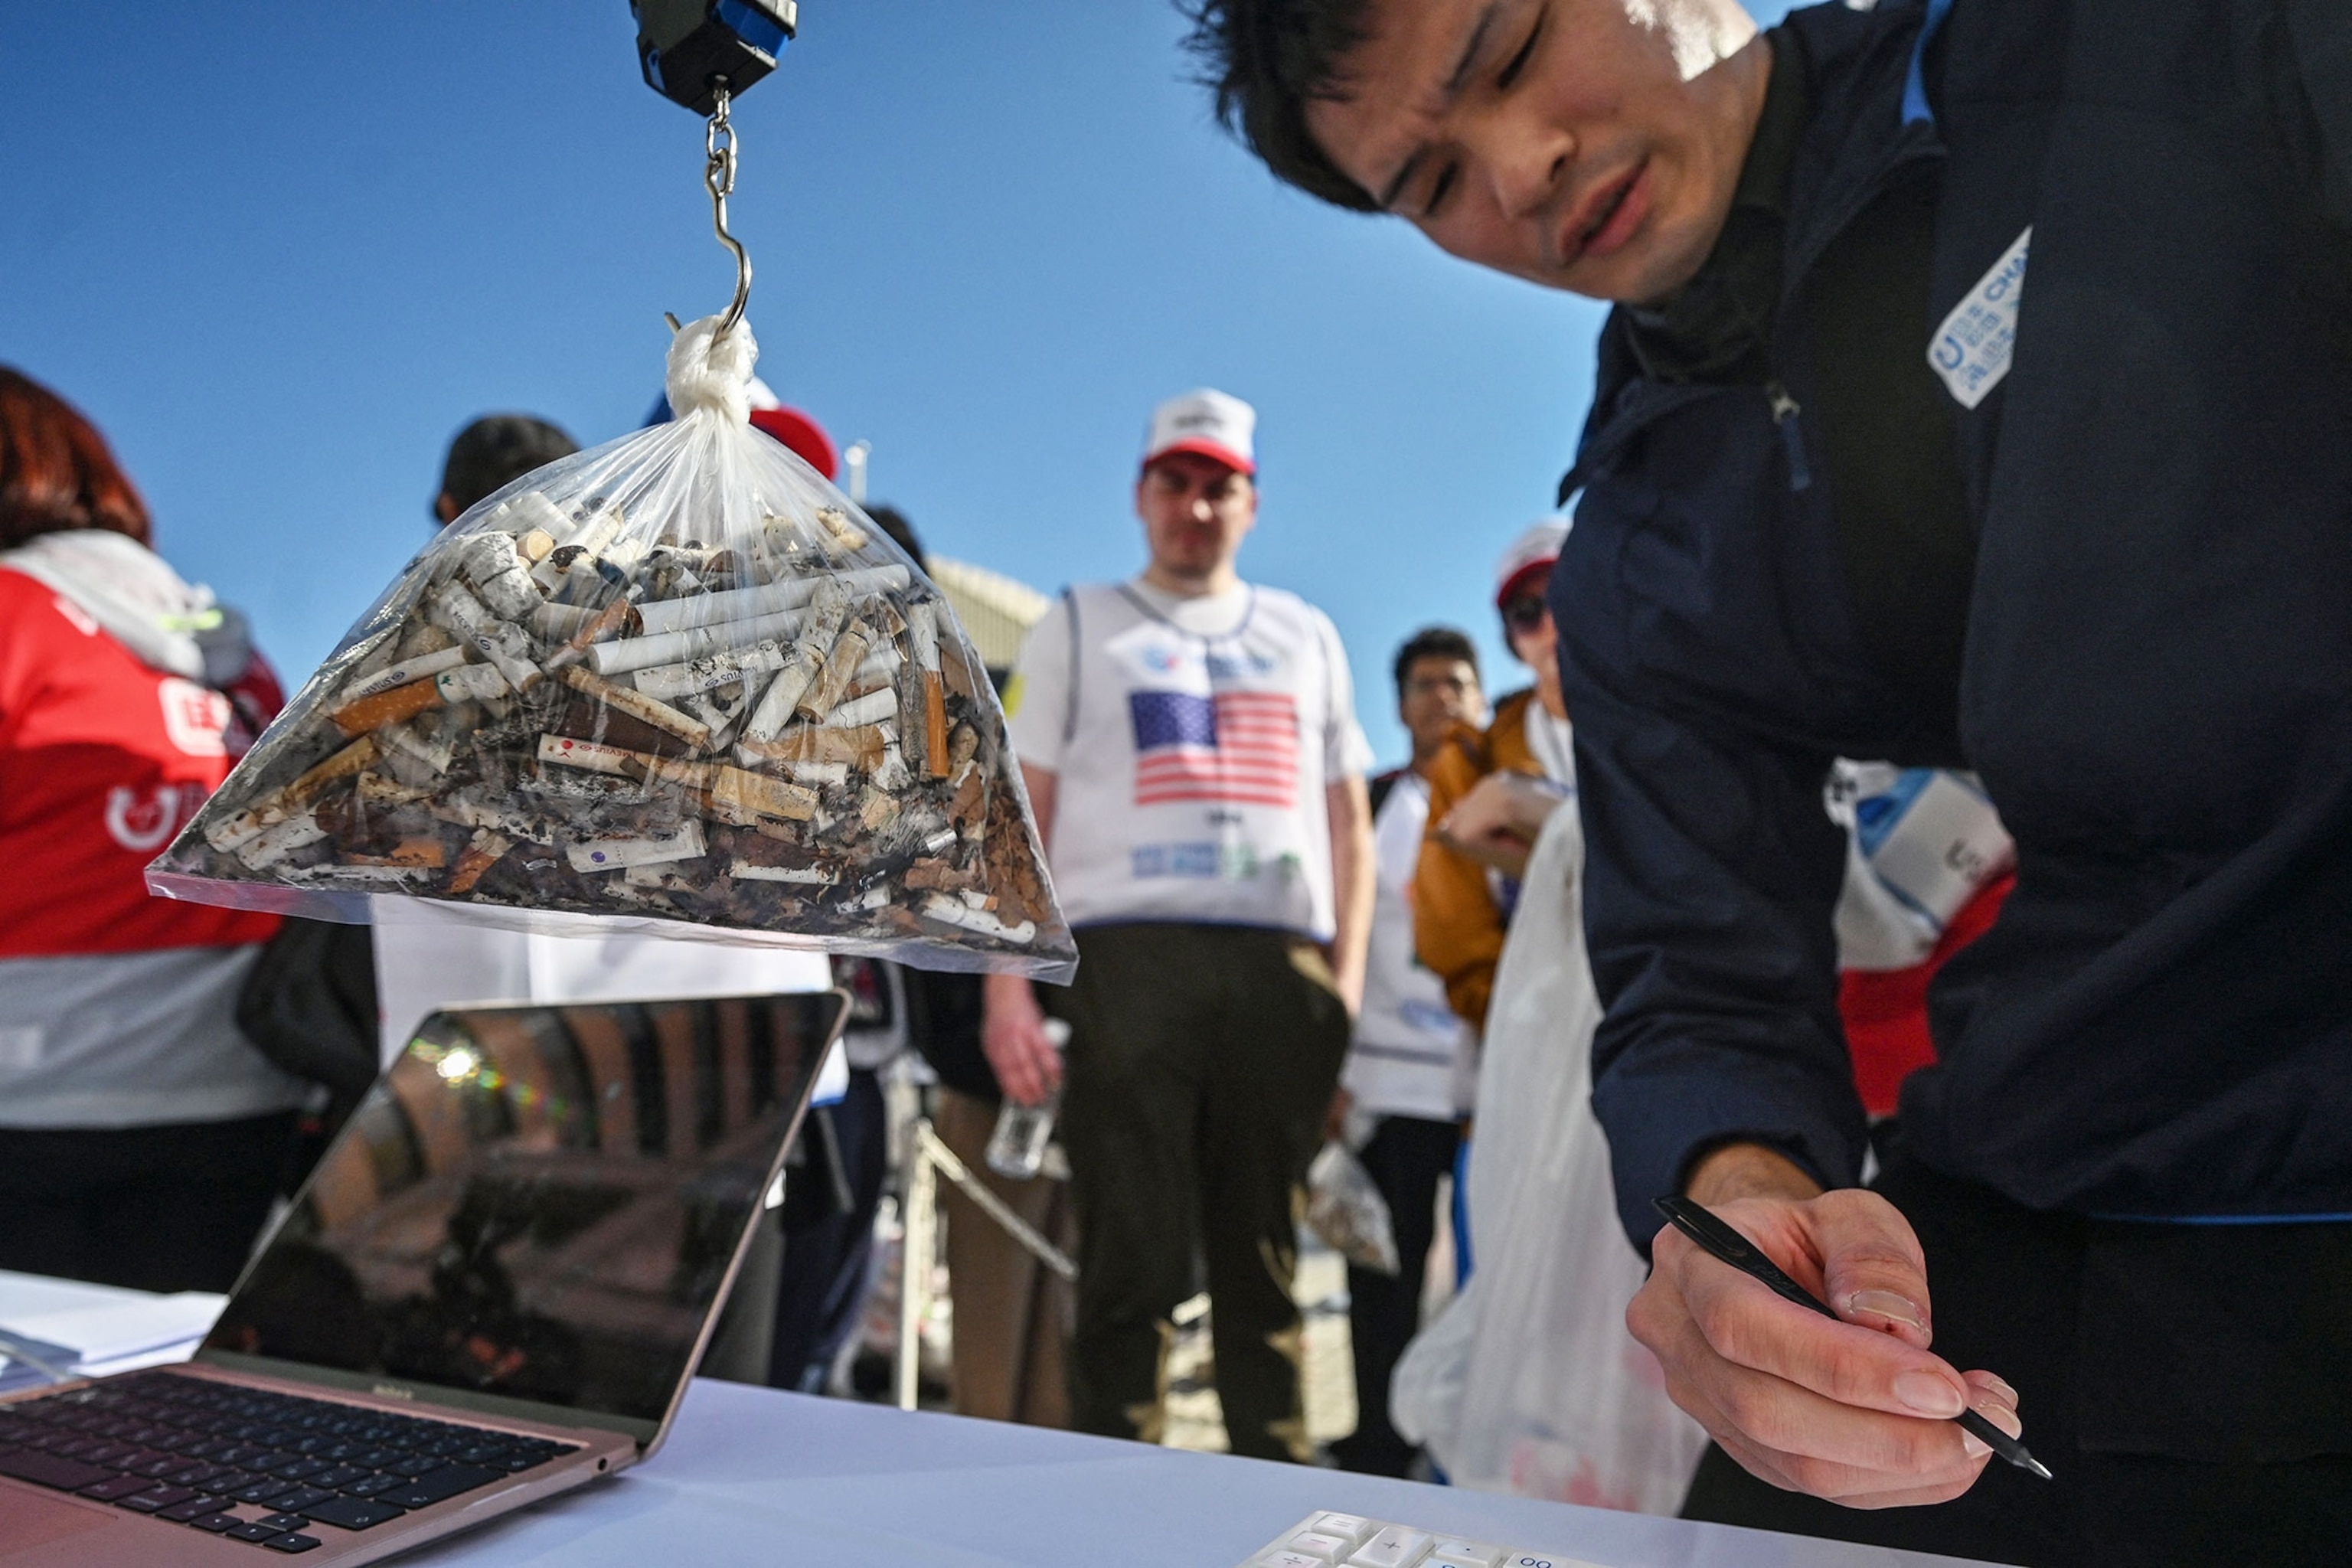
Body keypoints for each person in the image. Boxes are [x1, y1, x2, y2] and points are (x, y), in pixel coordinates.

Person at [1189, 1, 2352, 1561]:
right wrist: (1737, 1202)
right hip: (2072, 1170)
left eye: (1515, 52)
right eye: (1431, 185)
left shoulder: (2132, 56)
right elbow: (1700, 970)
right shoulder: (1640, 544)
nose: (1523, 172)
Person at [983, 388, 1376, 1460]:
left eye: (1220, 487)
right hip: (1126, 962)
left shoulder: (1306, 634)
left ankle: (1284, 1494)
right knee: (1131, 1263)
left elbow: (1351, 826)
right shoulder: (1076, 621)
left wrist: (1340, 991)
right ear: (1140, 494)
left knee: (1267, 1265)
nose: (1197, 507)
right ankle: (1114, 1503)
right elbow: (1027, 808)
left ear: (1251, 503)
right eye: (1178, 483)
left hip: (1274, 968)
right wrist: (1006, 983)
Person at [0, 367, 306, 1292]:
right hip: (248, 1094)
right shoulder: (240, 662)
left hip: (29, 1110)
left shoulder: (14, 618)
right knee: (164, 1421)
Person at [1327, 625, 1484, 1476]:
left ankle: (1469, 1449)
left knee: (1486, 1281)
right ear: (1400, 704)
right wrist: (1334, 1073)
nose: (1442, 697)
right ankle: (1379, 1453)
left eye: (1457, 682)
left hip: (1487, 1092)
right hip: (1387, 1086)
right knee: (1382, 1284)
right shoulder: (1372, 801)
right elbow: (1335, 934)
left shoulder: (1516, 802)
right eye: (1425, 684)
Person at [1413, 521, 1576, 1032]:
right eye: (1527, 614)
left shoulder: (1684, 729)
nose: (1551, 625)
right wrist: (1522, 1018)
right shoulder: (1471, 765)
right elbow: (1453, 933)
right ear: (1510, 636)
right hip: (1536, 1039)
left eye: (1569, 595)